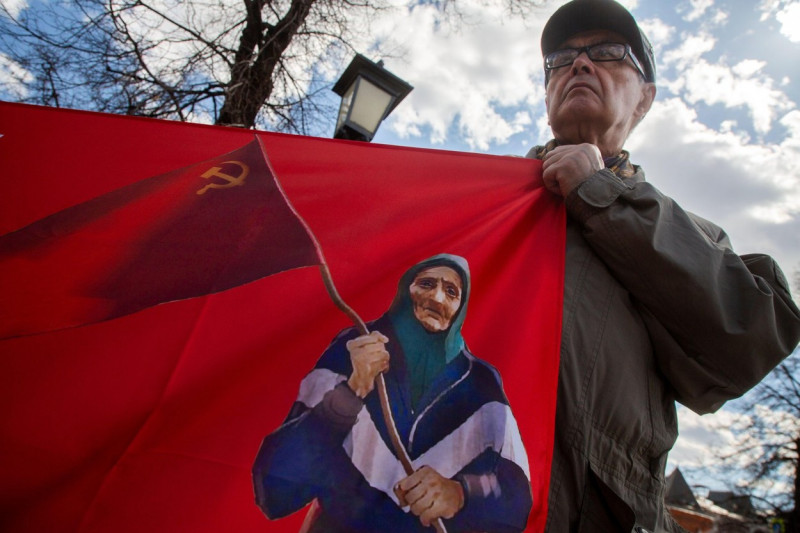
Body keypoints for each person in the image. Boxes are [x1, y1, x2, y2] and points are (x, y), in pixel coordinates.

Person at [527, 1, 800, 532]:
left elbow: (741, 345)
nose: (579, 65)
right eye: (561, 59)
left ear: (645, 98)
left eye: (607, 52)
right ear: (546, 93)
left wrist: (600, 195)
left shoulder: (697, 238)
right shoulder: (484, 207)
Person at [252, 254, 532, 532]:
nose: (436, 298)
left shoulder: (481, 385)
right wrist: (351, 392)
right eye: (426, 284)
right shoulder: (352, 348)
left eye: (451, 291)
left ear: (461, 307)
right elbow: (276, 489)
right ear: (405, 288)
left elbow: (515, 499)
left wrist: (461, 493)